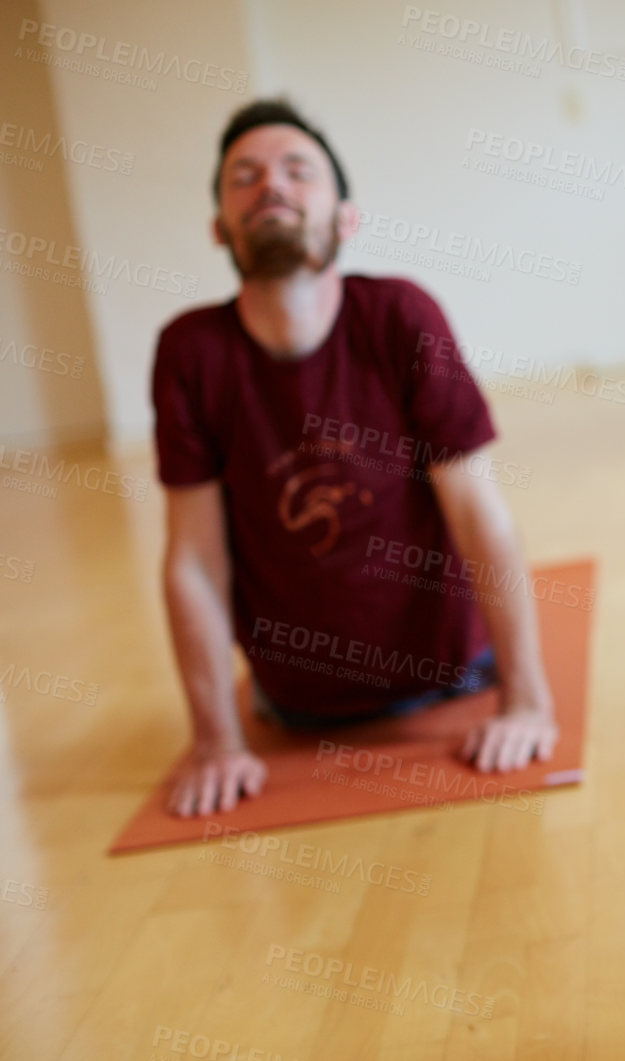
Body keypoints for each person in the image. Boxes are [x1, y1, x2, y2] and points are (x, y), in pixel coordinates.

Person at [152, 99, 558, 819]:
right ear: (220, 226)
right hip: (296, 706)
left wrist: (526, 701)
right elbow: (191, 561)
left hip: (453, 678)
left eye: (297, 171)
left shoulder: (402, 317)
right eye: (243, 177)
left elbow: (479, 515)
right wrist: (216, 742)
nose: (270, 185)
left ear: (346, 218)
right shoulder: (191, 353)